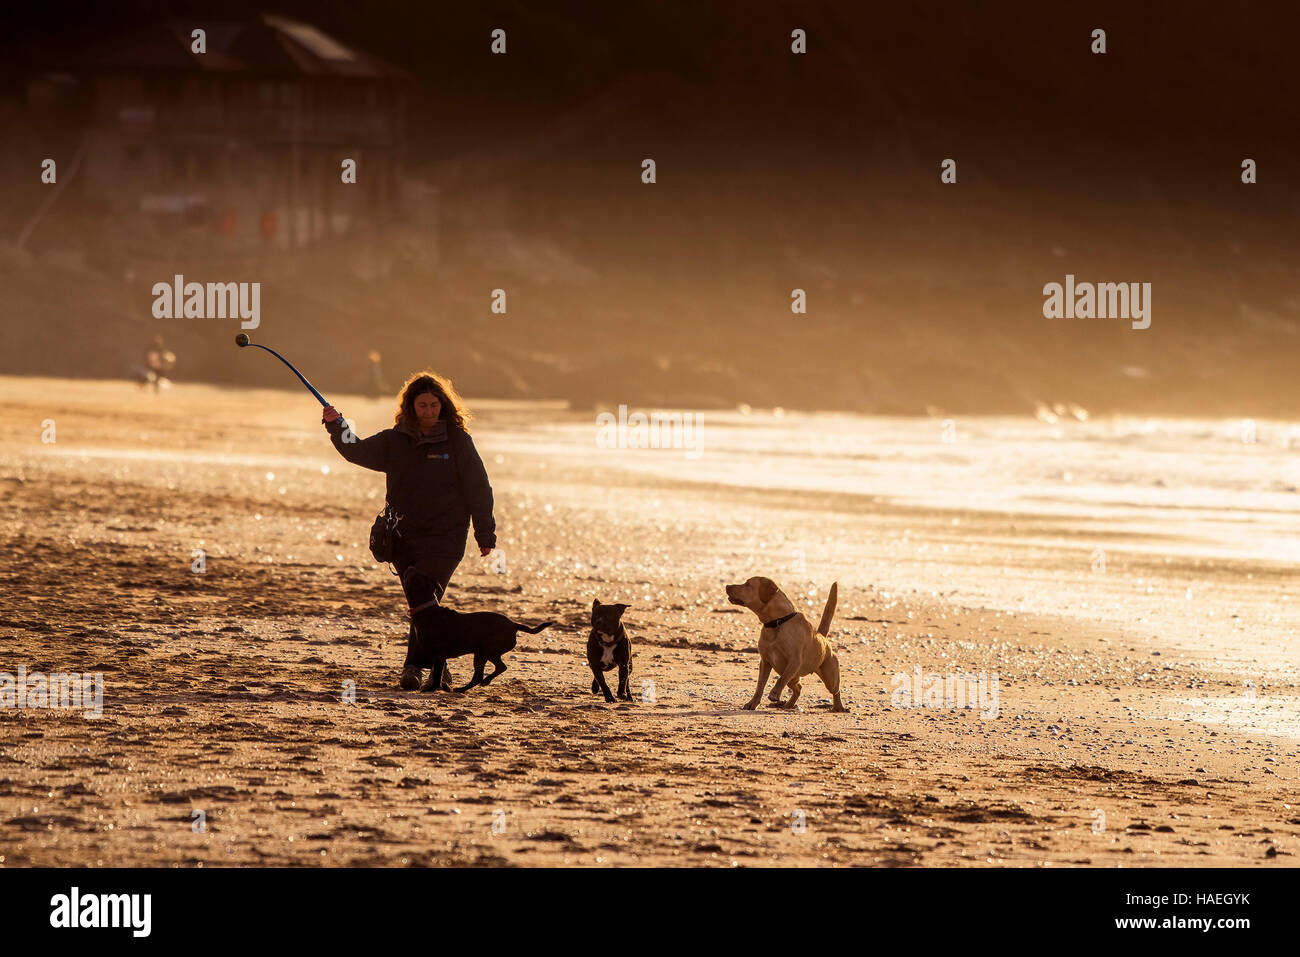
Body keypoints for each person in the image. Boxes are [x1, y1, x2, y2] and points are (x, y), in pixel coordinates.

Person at [321, 371, 497, 690]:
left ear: (444, 406)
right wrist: (337, 425)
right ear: (410, 406)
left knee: (424, 602)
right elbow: (357, 450)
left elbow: (479, 488)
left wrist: (485, 533)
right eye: (422, 405)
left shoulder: (457, 441)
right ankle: (436, 666)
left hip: (446, 538)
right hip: (403, 538)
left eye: (434, 405)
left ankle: (414, 666)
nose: (429, 412)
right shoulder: (395, 440)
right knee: (422, 607)